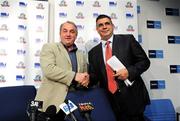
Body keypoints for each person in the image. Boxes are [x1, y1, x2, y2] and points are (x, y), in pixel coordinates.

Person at [88, 14, 150, 121]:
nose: (104, 27)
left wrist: (129, 72)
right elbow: (95, 76)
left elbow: (144, 62)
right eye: (100, 25)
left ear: (112, 26)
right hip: (109, 102)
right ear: (97, 29)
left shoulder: (127, 40)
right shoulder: (93, 53)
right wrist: (88, 78)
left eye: (107, 23)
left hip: (132, 98)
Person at [35, 21, 89, 120]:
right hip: (51, 101)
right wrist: (74, 76)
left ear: (76, 35)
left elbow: (83, 75)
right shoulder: (49, 47)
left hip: (73, 102)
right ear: (60, 34)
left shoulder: (81, 54)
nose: (68, 34)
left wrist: (86, 79)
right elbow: (49, 70)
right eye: (65, 31)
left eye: (72, 32)